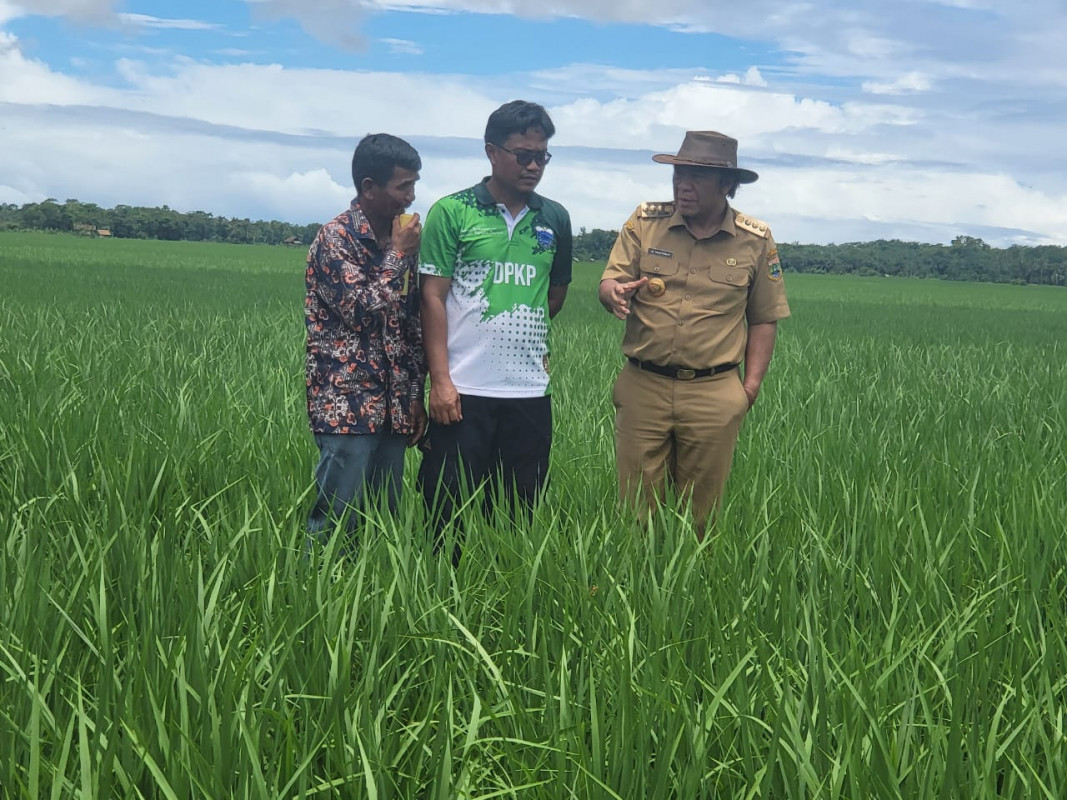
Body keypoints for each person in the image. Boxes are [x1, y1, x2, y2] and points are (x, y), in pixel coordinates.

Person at [599, 130, 790, 535]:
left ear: (726, 185)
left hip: (714, 390)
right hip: (643, 385)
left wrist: (748, 390)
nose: (682, 185)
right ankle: (636, 588)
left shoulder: (755, 239)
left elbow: (764, 317)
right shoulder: (644, 223)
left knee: (702, 517)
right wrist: (613, 293)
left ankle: (696, 590)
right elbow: (610, 280)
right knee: (635, 513)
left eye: (696, 177)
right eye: (679, 174)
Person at [417, 100, 572, 556]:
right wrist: (441, 381)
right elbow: (432, 297)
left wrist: (526, 332)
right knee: (445, 517)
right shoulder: (453, 211)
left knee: (520, 516)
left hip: (528, 392)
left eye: (541, 155)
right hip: (462, 393)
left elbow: (555, 291)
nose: (533, 166)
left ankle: (507, 600)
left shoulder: (554, 218)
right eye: (523, 154)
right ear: (491, 152)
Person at [304, 133, 427, 548]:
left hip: (393, 407)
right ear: (369, 187)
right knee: (335, 520)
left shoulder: (401, 240)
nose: (410, 197)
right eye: (402, 186)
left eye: (414, 185)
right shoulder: (334, 239)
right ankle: (313, 594)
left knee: (382, 523)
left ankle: (372, 603)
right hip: (346, 404)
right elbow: (361, 308)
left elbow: (410, 326)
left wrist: (415, 396)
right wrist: (398, 256)